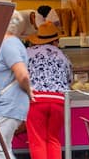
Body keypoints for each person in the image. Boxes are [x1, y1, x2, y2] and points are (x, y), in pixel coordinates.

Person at [0, 11, 33, 158]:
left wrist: (29, 91)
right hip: (5, 104)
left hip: (9, 104)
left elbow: (22, 75)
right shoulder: (7, 43)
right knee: (1, 146)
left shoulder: (9, 44)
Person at [24, 17, 72, 159]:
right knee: (53, 139)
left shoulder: (28, 53)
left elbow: (20, 74)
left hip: (36, 99)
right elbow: (69, 79)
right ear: (55, 41)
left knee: (37, 140)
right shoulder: (63, 56)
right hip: (58, 100)